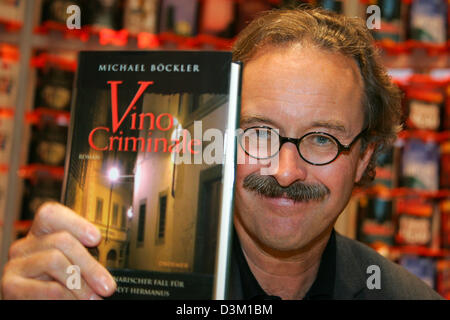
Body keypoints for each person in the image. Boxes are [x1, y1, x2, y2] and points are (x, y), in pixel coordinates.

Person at [1, 7, 443, 300]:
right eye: (258, 132)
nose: (286, 172)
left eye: (322, 139)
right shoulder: (114, 287)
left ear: (364, 158)